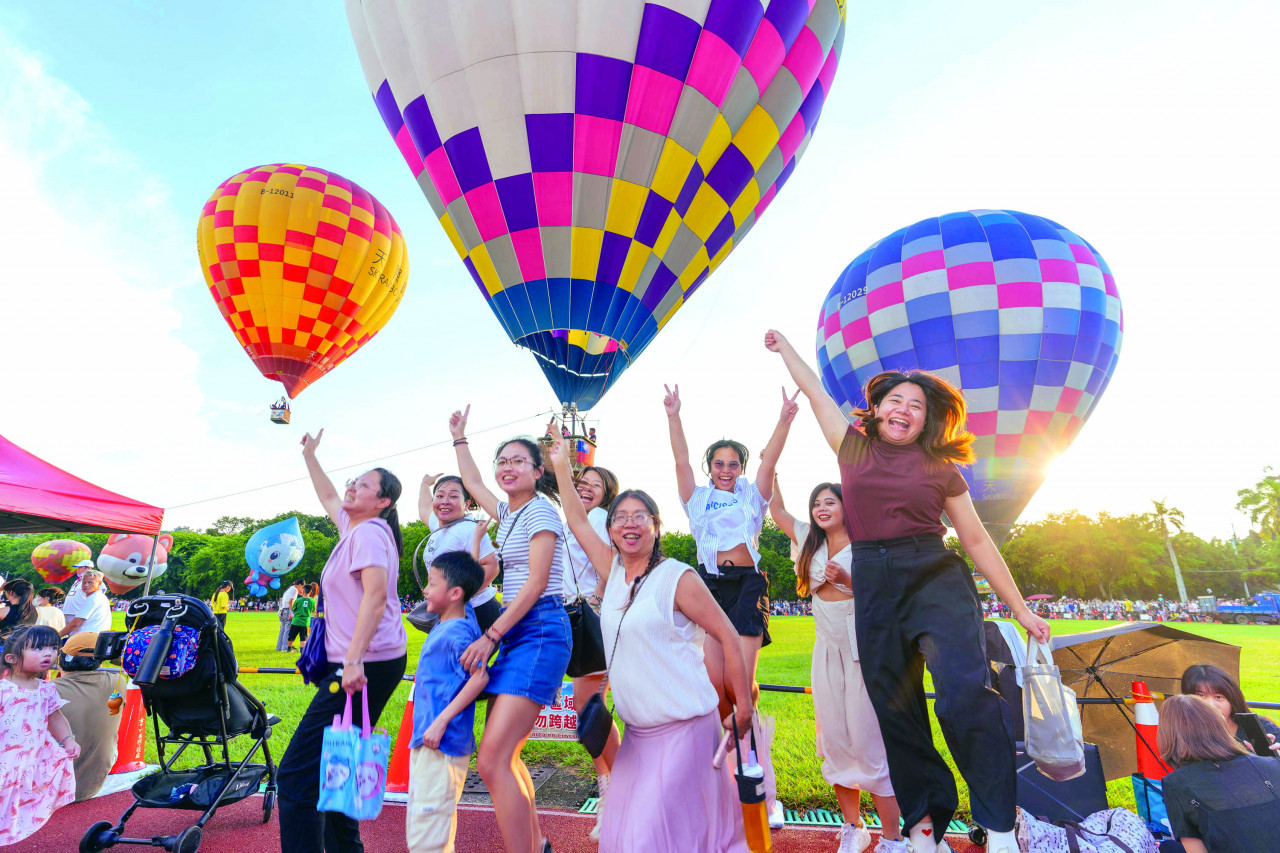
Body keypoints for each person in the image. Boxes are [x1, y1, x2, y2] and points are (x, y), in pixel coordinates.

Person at [764, 329, 1051, 853]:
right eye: (895, 400)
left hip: (934, 575)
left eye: (916, 405)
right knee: (896, 713)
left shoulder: (942, 468)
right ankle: (924, 829)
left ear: (927, 419)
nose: (904, 409)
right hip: (874, 582)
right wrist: (785, 349)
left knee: (964, 698)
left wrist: (1020, 609)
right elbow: (817, 392)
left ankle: (999, 826)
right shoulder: (852, 448)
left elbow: (976, 539)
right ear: (875, 411)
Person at [546, 431, 754, 853]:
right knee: (626, 839)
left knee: (654, 839)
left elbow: (729, 636)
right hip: (637, 737)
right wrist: (561, 465)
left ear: (657, 527)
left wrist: (745, 707)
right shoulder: (612, 572)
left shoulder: (678, 577)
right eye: (621, 517)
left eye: (640, 516)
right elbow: (577, 520)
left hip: (686, 732)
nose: (629, 523)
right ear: (610, 529)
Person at [663, 383, 795, 826]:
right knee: (716, 687)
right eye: (718, 463)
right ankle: (734, 761)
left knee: (740, 684)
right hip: (710, 587)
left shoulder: (752, 496)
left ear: (741, 468)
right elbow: (680, 460)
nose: (725, 470)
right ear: (710, 468)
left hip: (747, 585)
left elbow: (770, 461)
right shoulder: (696, 498)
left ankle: (762, 785)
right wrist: (674, 415)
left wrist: (784, 419)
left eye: (732, 463)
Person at [278, 429, 409, 853]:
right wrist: (310, 456)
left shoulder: (369, 533)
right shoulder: (354, 527)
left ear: (383, 501)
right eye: (354, 481)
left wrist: (352, 661)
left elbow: (375, 596)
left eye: (364, 485)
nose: (352, 487)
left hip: (363, 663)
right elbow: (329, 496)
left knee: (296, 775)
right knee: (338, 761)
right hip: (364, 660)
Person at [450, 406, 572, 853]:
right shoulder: (511, 512)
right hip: (520, 630)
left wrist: (491, 635)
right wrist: (460, 437)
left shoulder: (540, 512)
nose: (507, 467)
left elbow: (537, 583)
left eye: (519, 461)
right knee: (506, 756)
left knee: (492, 759)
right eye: (502, 461)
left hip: (539, 629)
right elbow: (473, 483)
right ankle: (536, 844)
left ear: (538, 471)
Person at [771, 479, 907, 853]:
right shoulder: (809, 541)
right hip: (826, 651)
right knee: (834, 741)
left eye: (830, 501)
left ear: (848, 506)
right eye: (817, 503)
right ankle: (854, 827)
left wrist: (849, 580)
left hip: (864, 651)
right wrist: (774, 469)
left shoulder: (867, 543)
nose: (821, 508)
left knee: (868, 743)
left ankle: (893, 838)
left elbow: (888, 595)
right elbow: (776, 510)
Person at [406, 551, 490, 853]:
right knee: (424, 828)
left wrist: (441, 721)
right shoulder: (456, 620)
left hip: (441, 742)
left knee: (428, 835)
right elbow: (471, 578)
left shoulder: (458, 632)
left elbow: (480, 677)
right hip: (429, 740)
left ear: (455, 593)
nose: (425, 589)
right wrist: (476, 541)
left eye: (432, 583)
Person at [560, 461, 622, 837]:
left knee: (590, 707)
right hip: (575, 616)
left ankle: (616, 792)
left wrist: (597, 598)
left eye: (594, 484)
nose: (585, 487)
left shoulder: (599, 518)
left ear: (607, 493)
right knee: (588, 707)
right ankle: (611, 789)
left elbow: (607, 563)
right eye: (581, 482)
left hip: (591, 617)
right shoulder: (571, 518)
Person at [1158, 693, 1280, 853]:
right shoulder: (1272, 762)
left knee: (1167, 847)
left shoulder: (1176, 783)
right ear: (1220, 725)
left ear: (1168, 736)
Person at [0, 625, 80, 845]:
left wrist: (68, 740)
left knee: (16, 801)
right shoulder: (3, 690)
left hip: (29, 758)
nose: (48, 653)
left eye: (53, 648)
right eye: (38, 648)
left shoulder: (46, 689)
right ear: (11, 658)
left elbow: (55, 717)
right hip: (4, 759)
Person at [417, 473, 501, 632]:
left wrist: (457, 597)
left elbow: (491, 567)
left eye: (453, 496)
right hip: (453, 611)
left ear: (466, 504)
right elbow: (424, 508)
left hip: (478, 611)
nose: (445, 501)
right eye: (440, 496)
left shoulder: (469, 529)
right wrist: (425, 484)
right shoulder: (439, 526)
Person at [1181, 664, 1280, 754]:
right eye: (1201, 696)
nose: (1211, 705)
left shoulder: (1263, 729)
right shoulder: (1181, 734)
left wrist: (1272, 759)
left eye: (1218, 697)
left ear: (1232, 699)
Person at [288, 583, 317, 652]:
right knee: (303, 637)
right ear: (310, 592)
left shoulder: (298, 600)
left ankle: (289, 648)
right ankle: (302, 649)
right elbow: (313, 610)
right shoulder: (312, 600)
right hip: (305, 622)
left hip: (296, 621)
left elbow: (292, 610)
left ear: (303, 591)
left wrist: (293, 616)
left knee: (292, 635)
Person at [277, 579, 303, 652]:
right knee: (287, 629)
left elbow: (282, 600)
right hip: (288, 610)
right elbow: (291, 601)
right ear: (300, 585)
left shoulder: (289, 589)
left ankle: (279, 647)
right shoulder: (295, 590)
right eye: (302, 587)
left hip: (283, 609)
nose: (301, 589)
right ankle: (285, 647)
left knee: (282, 629)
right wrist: (291, 613)